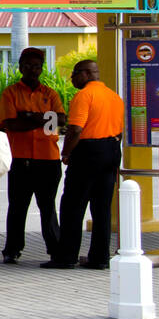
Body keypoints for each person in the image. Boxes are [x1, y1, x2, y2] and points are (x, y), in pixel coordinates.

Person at [44, 60, 123, 270]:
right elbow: (120, 130)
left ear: (86, 74)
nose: (72, 79)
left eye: (75, 74)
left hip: (88, 152)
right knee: (102, 208)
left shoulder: (84, 95)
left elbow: (76, 129)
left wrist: (67, 152)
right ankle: (100, 257)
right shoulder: (114, 96)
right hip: (111, 149)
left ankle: (66, 256)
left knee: (72, 206)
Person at [0, 48, 65, 264]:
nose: (32, 70)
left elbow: (60, 121)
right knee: (17, 207)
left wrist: (30, 117)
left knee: (47, 207)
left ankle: (56, 250)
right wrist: (42, 119)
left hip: (49, 159)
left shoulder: (50, 94)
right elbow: (11, 124)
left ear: (41, 68)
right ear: (20, 67)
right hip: (21, 159)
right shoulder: (10, 93)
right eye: (27, 65)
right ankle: (12, 249)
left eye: (36, 66)